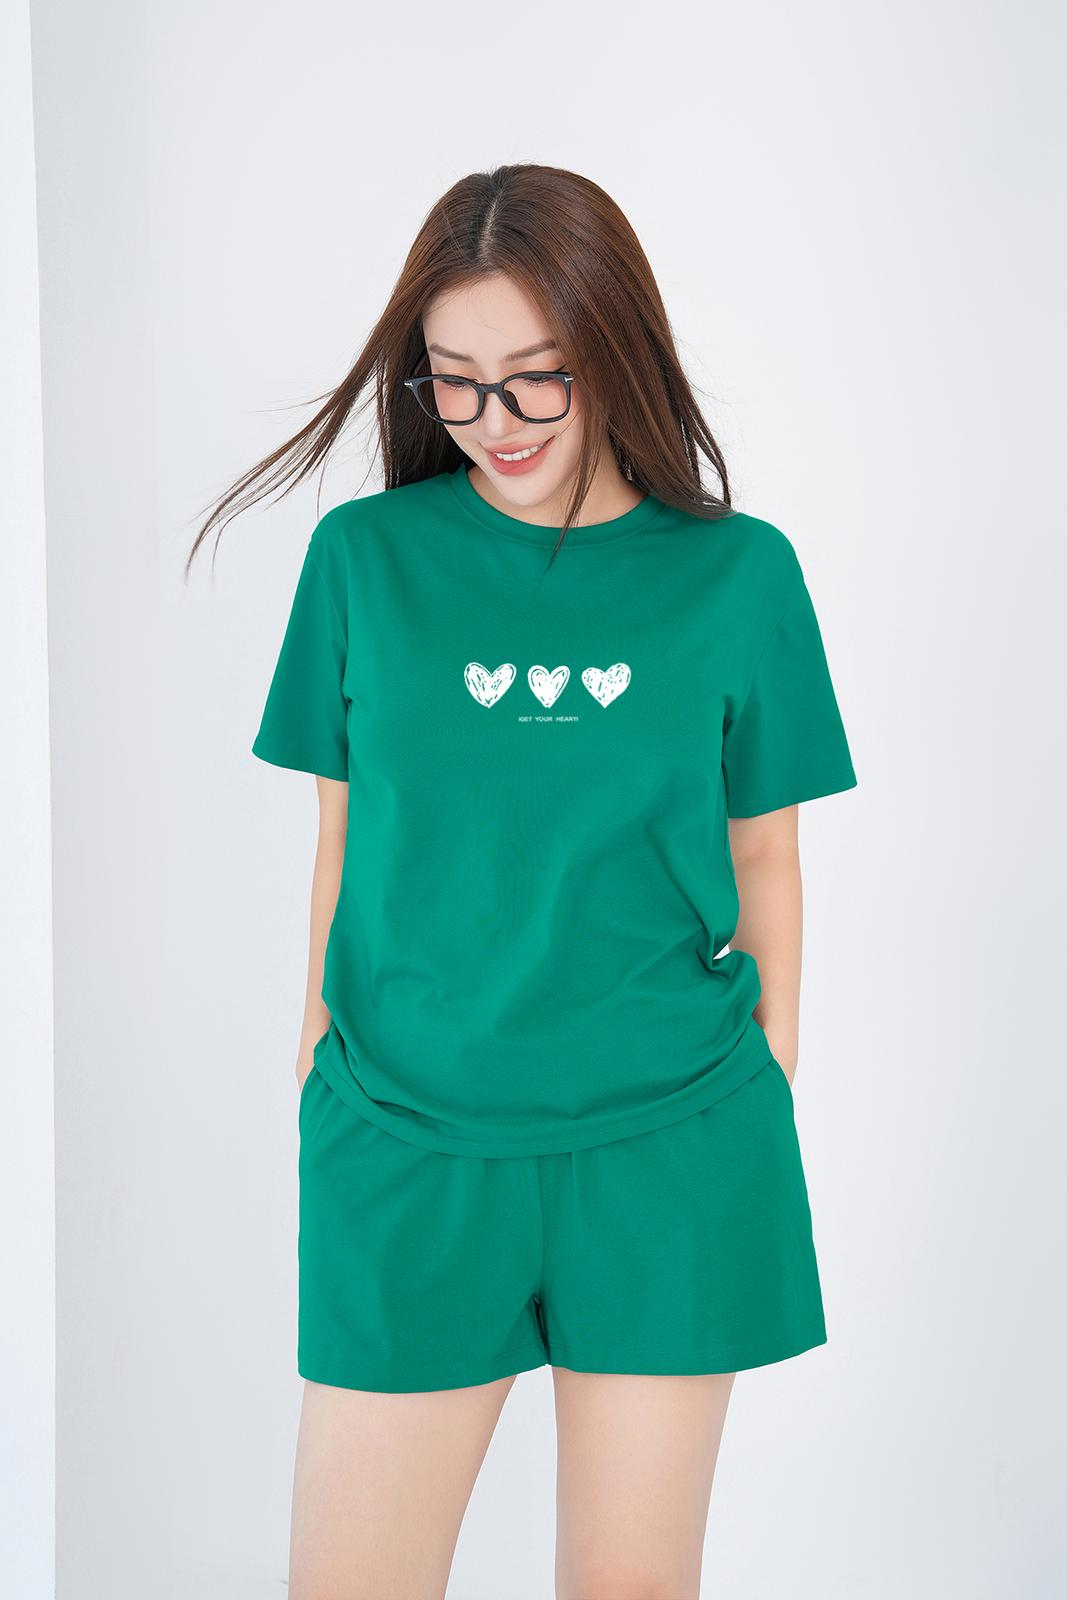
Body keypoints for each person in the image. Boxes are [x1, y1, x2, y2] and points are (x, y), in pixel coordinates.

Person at [190, 162, 857, 1600]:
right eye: (456, 383)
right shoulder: (364, 561)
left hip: (671, 1143)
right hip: (406, 1139)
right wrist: (315, 1061)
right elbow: (341, 841)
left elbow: (765, 854)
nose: (495, 422)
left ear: (616, 350)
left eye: (537, 378)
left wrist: (769, 1070)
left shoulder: (741, 576)